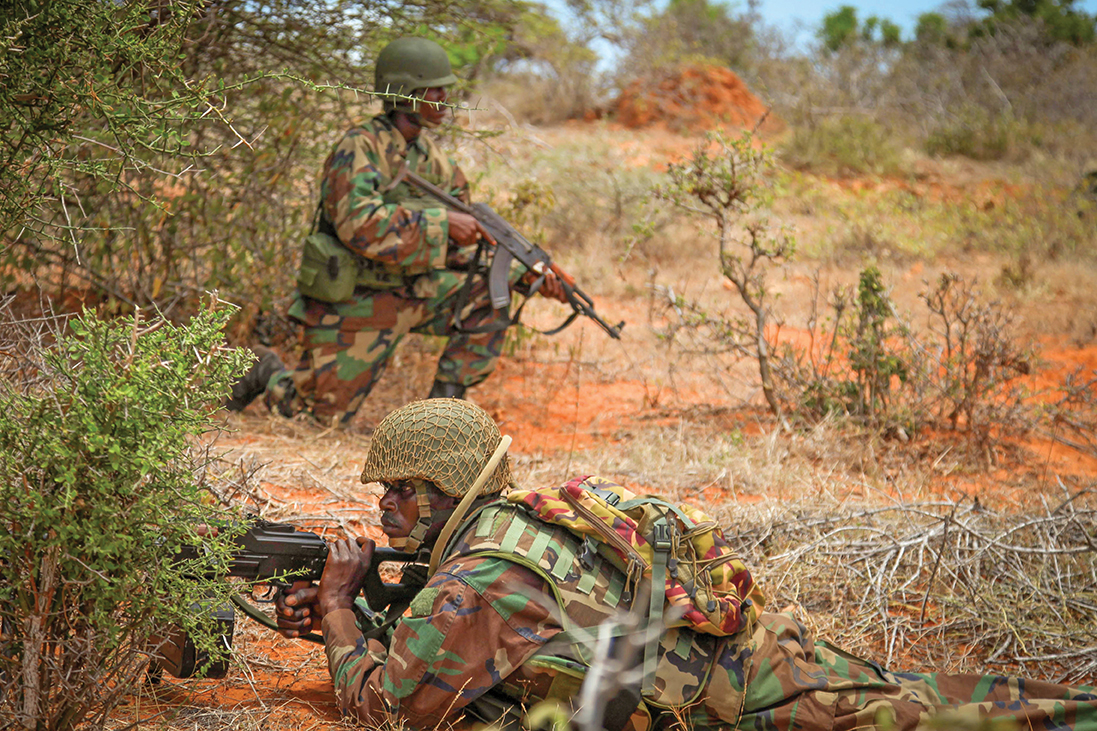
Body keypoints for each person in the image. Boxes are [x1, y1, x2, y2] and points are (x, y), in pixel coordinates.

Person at [274, 398, 1097, 731]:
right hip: (747, 655)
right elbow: (471, 638)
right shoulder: (506, 526)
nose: (385, 507)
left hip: (744, 701)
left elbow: (389, 709)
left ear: (445, 487)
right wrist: (363, 608)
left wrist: (344, 611)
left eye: (401, 492)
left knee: (944, 719)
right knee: (926, 696)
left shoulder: (475, 578)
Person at [226, 37, 564, 426]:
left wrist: (525, 275)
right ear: (404, 93)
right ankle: (265, 368)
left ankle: (439, 421)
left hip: (413, 290)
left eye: (445, 88)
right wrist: (443, 224)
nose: (444, 97)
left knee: (490, 295)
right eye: (433, 89)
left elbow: (458, 250)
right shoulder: (360, 147)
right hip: (356, 299)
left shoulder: (434, 161)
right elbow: (358, 225)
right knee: (313, 419)